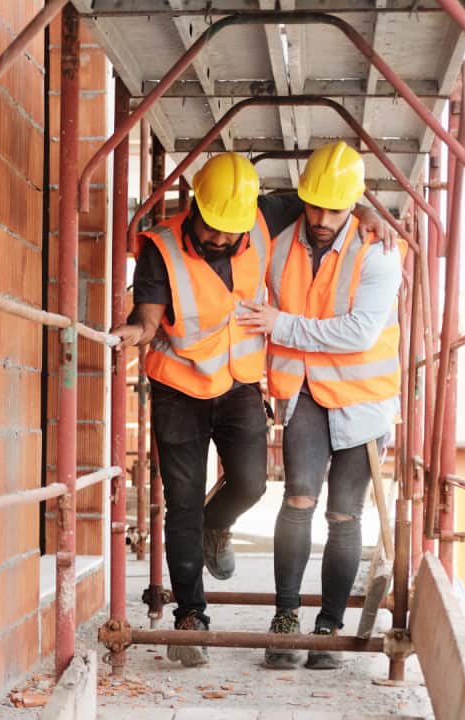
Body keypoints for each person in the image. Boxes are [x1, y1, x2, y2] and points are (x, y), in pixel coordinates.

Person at [111, 152, 394, 667]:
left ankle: (217, 526)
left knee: (252, 483)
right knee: (182, 504)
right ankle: (190, 619)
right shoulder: (162, 247)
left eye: (232, 230)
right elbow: (149, 315)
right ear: (195, 206)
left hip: (240, 383)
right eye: (214, 228)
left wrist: (371, 214)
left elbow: (332, 205)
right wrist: (136, 330)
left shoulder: (266, 214)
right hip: (178, 387)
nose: (223, 239)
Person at [236, 141, 404, 670]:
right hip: (305, 388)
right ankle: (285, 618)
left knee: (343, 513)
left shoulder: (377, 251)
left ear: (355, 202)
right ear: (301, 198)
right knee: (300, 499)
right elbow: (239, 215)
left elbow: (359, 332)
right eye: (315, 206)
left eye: (336, 208)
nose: (324, 218)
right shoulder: (281, 234)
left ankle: (327, 628)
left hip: (363, 400)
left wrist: (279, 325)